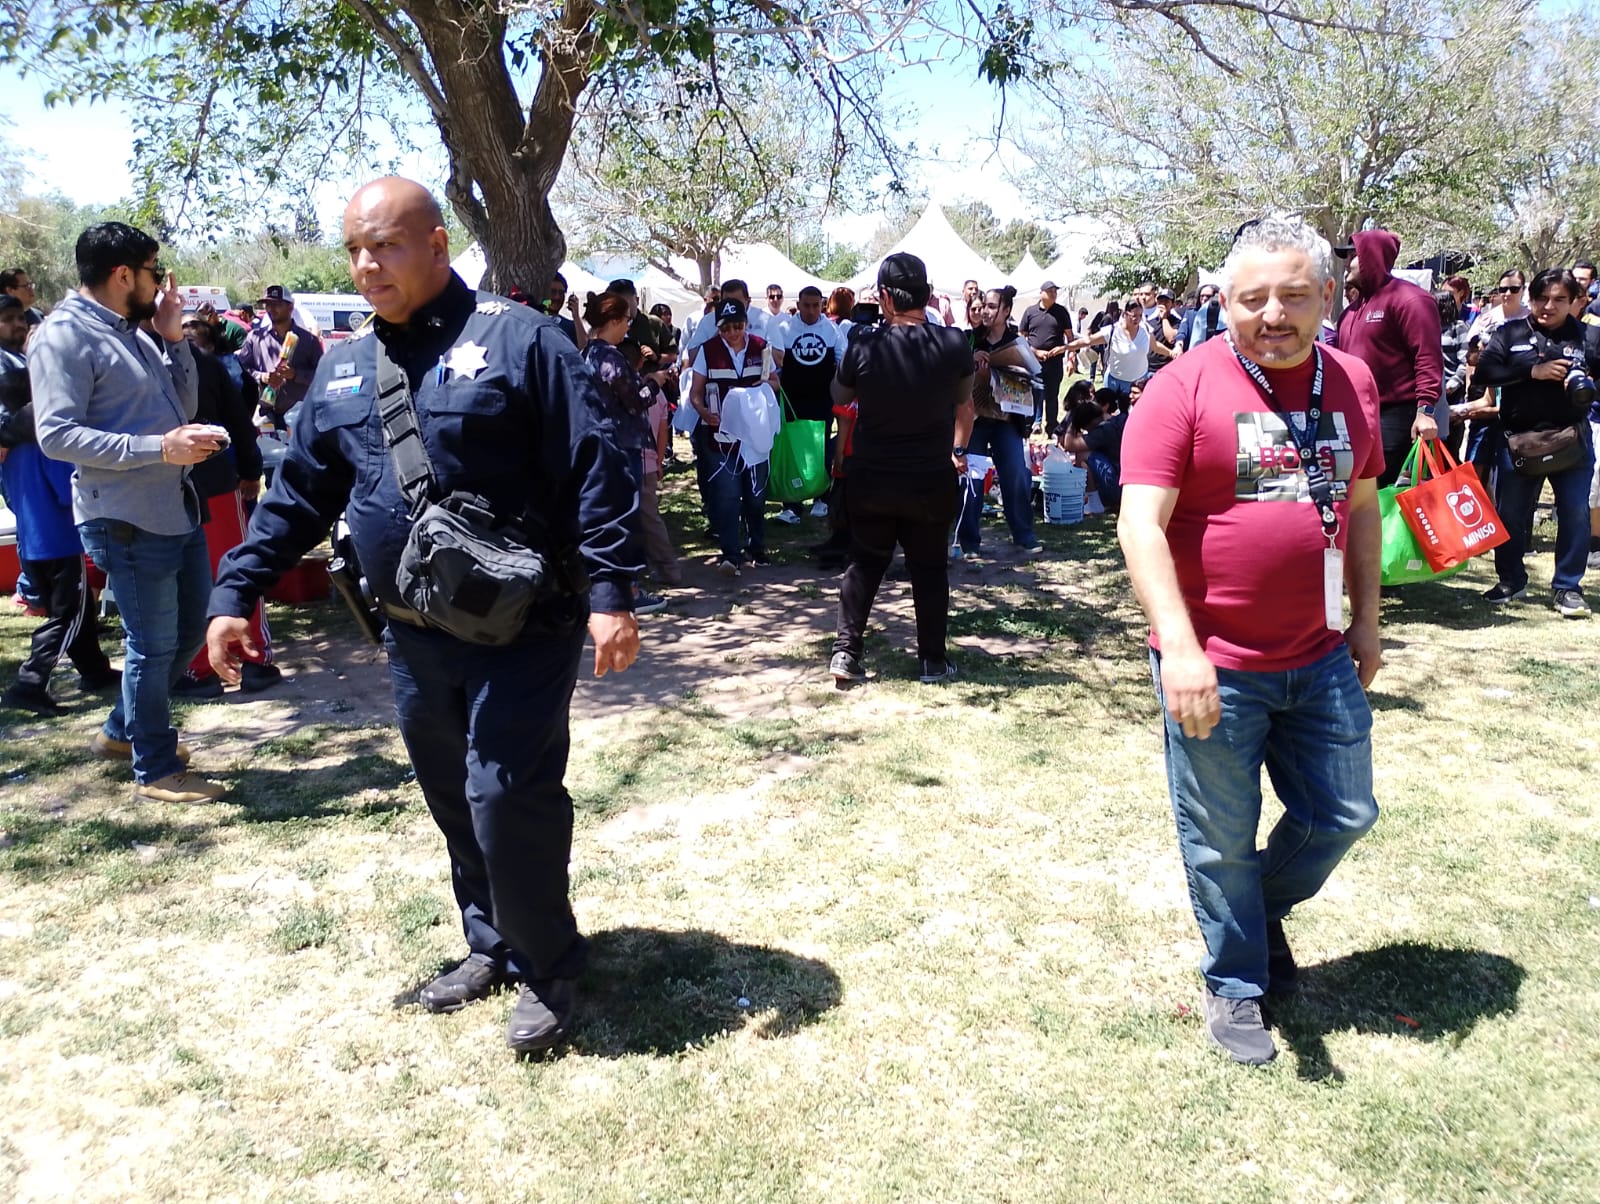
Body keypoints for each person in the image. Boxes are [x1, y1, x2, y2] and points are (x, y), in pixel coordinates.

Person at [206, 176, 643, 1056]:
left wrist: (609, 595)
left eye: (388, 245)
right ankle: (491, 943)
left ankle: (549, 966)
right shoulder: (340, 368)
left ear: (438, 245)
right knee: (453, 794)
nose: (369, 265)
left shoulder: (523, 342)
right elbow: (297, 495)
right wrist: (233, 589)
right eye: (356, 250)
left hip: (526, 628)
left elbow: (594, 468)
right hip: (411, 634)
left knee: (504, 793)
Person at [1118, 213, 1384, 1066]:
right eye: (1254, 298)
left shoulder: (1350, 380)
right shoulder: (1180, 387)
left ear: (1328, 300)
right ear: (1223, 302)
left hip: (1320, 653)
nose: (1275, 314)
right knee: (1220, 837)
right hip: (1216, 666)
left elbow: (1366, 507)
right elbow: (1140, 526)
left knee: (1343, 813)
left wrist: (1367, 623)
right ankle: (1235, 982)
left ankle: (1254, 914)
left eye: (1295, 296)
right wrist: (1181, 649)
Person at [32, 221, 229, 803]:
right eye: (152, 271)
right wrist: (157, 449)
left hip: (173, 506)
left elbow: (183, 405)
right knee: (152, 644)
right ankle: (156, 767)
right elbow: (56, 436)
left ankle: (123, 731)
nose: (162, 284)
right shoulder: (63, 337)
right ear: (123, 275)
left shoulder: (137, 333)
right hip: (124, 516)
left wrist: (173, 340)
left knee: (189, 629)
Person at [828, 252, 974, 686]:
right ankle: (932, 660)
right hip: (929, 476)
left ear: (885, 298)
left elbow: (839, 390)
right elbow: (964, 397)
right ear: (927, 295)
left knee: (865, 563)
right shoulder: (952, 344)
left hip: (872, 476)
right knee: (929, 569)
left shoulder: (864, 344)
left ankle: (846, 653)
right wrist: (958, 446)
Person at [0, 294, 119, 713]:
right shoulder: (48, 447)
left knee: (74, 610)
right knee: (67, 616)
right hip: (60, 540)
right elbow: (66, 490)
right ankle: (31, 682)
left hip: (30, 542)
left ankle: (94, 669)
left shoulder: (10, 450)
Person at [1474, 267, 1598, 618]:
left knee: (1575, 512)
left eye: (1560, 299)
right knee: (1511, 515)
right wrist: (1531, 371)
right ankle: (1511, 580)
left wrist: (1585, 383)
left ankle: (1568, 589)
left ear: (1575, 301)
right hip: (1518, 441)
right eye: (1542, 298)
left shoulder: (1590, 337)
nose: (1549, 306)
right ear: (1530, 299)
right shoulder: (1510, 331)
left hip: (1570, 439)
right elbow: (1484, 373)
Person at [172, 316, 276, 697]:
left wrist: (248, 469)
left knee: (194, 577)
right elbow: (239, 421)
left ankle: (207, 667)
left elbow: (237, 420)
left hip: (178, 485)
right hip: (201, 482)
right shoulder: (203, 363)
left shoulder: (142, 362)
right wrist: (250, 470)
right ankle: (249, 659)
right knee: (230, 566)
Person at [581, 290, 668, 613]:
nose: (628, 329)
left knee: (607, 518)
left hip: (602, 445)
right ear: (614, 320)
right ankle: (628, 591)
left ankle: (608, 588)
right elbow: (635, 399)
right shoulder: (609, 358)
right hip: (620, 446)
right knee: (625, 520)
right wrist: (655, 381)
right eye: (627, 321)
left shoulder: (587, 354)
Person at [1336, 229, 1442, 487]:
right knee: (1352, 487)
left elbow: (1427, 357)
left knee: (1377, 489)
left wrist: (1425, 411)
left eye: (1352, 254)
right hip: (1353, 413)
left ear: (1369, 256)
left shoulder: (1411, 299)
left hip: (1394, 415)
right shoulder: (1349, 311)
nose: (1346, 262)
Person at [686, 297, 778, 575]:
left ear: (746, 324)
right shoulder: (709, 350)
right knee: (727, 495)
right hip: (721, 435)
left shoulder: (761, 347)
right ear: (719, 329)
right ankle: (730, 554)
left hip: (754, 433)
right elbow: (695, 392)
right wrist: (703, 413)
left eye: (738, 326)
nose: (733, 333)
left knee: (755, 494)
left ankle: (757, 547)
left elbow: (775, 382)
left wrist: (764, 385)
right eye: (726, 328)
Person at [955, 285, 1043, 559]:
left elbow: (1036, 381)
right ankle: (969, 542)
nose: (987, 312)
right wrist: (970, 361)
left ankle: (1023, 535)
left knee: (1015, 472)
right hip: (976, 420)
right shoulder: (969, 339)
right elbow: (953, 376)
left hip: (1007, 420)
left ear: (1006, 311)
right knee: (973, 477)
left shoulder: (1018, 343)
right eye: (984, 306)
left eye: (993, 307)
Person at [773, 285, 841, 519]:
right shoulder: (784, 329)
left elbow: (843, 361)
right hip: (792, 400)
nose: (811, 310)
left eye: (815, 305)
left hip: (822, 398)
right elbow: (773, 363)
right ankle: (791, 503)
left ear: (822, 305)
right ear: (799, 304)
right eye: (806, 305)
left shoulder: (832, 330)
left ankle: (821, 496)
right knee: (792, 449)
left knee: (819, 448)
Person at [238, 284, 324, 428]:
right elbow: (242, 368)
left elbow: (322, 376)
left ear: (290, 307)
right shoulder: (255, 338)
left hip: (299, 414)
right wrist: (262, 376)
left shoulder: (309, 341)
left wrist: (295, 374)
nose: (271, 309)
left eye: (276, 304)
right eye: (267, 304)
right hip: (265, 411)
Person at [1019, 280, 1073, 435]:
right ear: (1041, 293)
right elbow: (1021, 337)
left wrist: (1071, 357)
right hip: (1034, 360)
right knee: (1035, 392)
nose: (1053, 294)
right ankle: (1034, 423)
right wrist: (1034, 351)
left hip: (1055, 361)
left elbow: (1070, 338)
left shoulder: (1061, 312)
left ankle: (1051, 426)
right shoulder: (1030, 312)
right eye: (1050, 292)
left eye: (1055, 292)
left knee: (1052, 394)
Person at [1059, 394, 1127, 515]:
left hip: (1116, 487)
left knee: (1082, 453)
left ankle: (1094, 503)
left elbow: (1069, 444)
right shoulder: (1117, 420)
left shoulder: (1102, 431)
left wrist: (1073, 424)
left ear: (1089, 423)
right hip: (1126, 483)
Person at [1068, 298, 1149, 397]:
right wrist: (1065, 348)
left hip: (1137, 382)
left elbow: (1155, 346)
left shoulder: (1145, 329)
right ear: (1125, 314)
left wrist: (1171, 352)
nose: (1138, 319)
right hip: (1114, 380)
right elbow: (1088, 339)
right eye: (1134, 316)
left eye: (1140, 315)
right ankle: (1092, 377)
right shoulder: (1112, 326)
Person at [1174, 283, 1226, 354]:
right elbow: (1182, 331)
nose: (1204, 299)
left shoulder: (1221, 315)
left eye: (1208, 296)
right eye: (1202, 296)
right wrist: (1179, 345)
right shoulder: (1190, 313)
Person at [544, 272, 587, 349]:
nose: (557, 297)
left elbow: (585, 350)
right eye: (553, 292)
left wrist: (576, 317)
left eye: (561, 293)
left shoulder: (570, 326)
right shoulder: (533, 320)